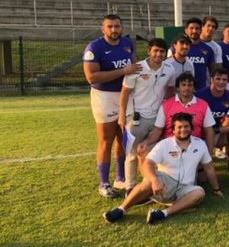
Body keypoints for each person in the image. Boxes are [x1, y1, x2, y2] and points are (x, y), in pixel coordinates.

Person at [102, 113, 222, 225]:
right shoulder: (164, 144)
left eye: (186, 126)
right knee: (148, 181)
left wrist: (216, 189)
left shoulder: (200, 144)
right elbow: (148, 164)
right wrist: (155, 180)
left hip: (184, 189)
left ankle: (162, 214)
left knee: (199, 192)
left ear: (191, 128)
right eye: (179, 127)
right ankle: (121, 209)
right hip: (163, 186)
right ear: (173, 129)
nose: (183, 130)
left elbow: (209, 168)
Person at [83, 14, 141, 198]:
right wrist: (123, 71)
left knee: (123, 138)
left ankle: (120, 177)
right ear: (103, 28)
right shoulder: (94, 47)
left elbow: (134, 67)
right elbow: (92, 77)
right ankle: (104, 183)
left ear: (122, 28)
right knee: (106, 140)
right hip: (104, 97)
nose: (114, 30)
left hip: (125, 94)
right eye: (110, 26)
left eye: (117, 26)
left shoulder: (127, 44)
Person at [118, 38, 175, 194]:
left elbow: (170, 91)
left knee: (153, 151)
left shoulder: (169, 69)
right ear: (149, 51)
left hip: (158, 117)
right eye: (155, 51)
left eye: (162, 51)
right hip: (136, 117)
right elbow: (124, 93)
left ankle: (149, 183)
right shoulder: (137, 68)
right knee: (131, 153)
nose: (158, 54)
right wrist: (122, 115)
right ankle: (129, 186)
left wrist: (169, 111)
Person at [138, 73, 216, 156]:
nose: (186, 88)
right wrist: (145, 142)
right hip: (169, 145)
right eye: (183, 85)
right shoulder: (166, 105)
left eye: (190, 85)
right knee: (144, 150)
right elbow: (158, 130)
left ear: (194, 88)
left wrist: (209, 152)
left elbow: (209, 130)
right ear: (178, 87)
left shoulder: (203, 105)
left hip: (193, 146)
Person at [196, 67, 229, 188]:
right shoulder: (199, 95)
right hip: (199, 136)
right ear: (211, 80)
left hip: (216, 134)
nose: (221, 82)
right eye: (218, 79)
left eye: (224, 79)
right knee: (202, 179)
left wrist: (219, 130)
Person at [171, 17, 217, 90]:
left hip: (201, 90)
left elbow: (213, 72)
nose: (194, 31)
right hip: (181, 90)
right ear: (186, 30)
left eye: (197, 28)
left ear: (201, 30)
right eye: (191, 28)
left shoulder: (208, 49)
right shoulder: (177, 48)